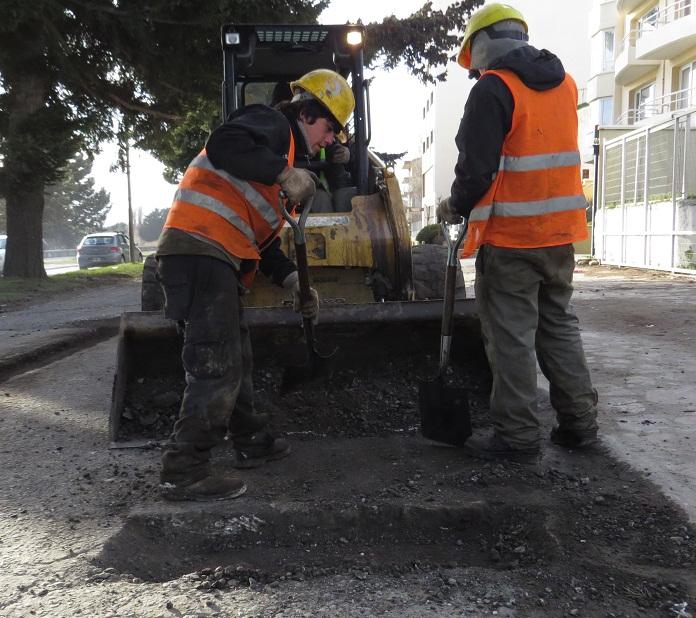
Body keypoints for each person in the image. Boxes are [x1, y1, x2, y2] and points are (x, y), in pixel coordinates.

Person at [155, 68, 355, 501]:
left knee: (236, 356)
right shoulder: (271, 124)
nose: (330, 141)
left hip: (214, 256)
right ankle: (184, 470)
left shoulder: (273, 162)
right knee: (217, 365)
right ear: (306, 113)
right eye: (329, 128)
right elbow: (223, 142)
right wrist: (282, 173)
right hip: (198, 251)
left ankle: (252, 441)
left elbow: (262, 239)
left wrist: (294, 282)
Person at [437, 3, 598, 463]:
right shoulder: (564, 84)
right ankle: (579, 423)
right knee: (558, 328)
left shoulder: (494, 88)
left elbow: (477, 168)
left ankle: (518, 434)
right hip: (559, 236)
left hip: (510, 239)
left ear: (482, 45)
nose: (476, 70)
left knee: (511, 338)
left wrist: (456, 203)